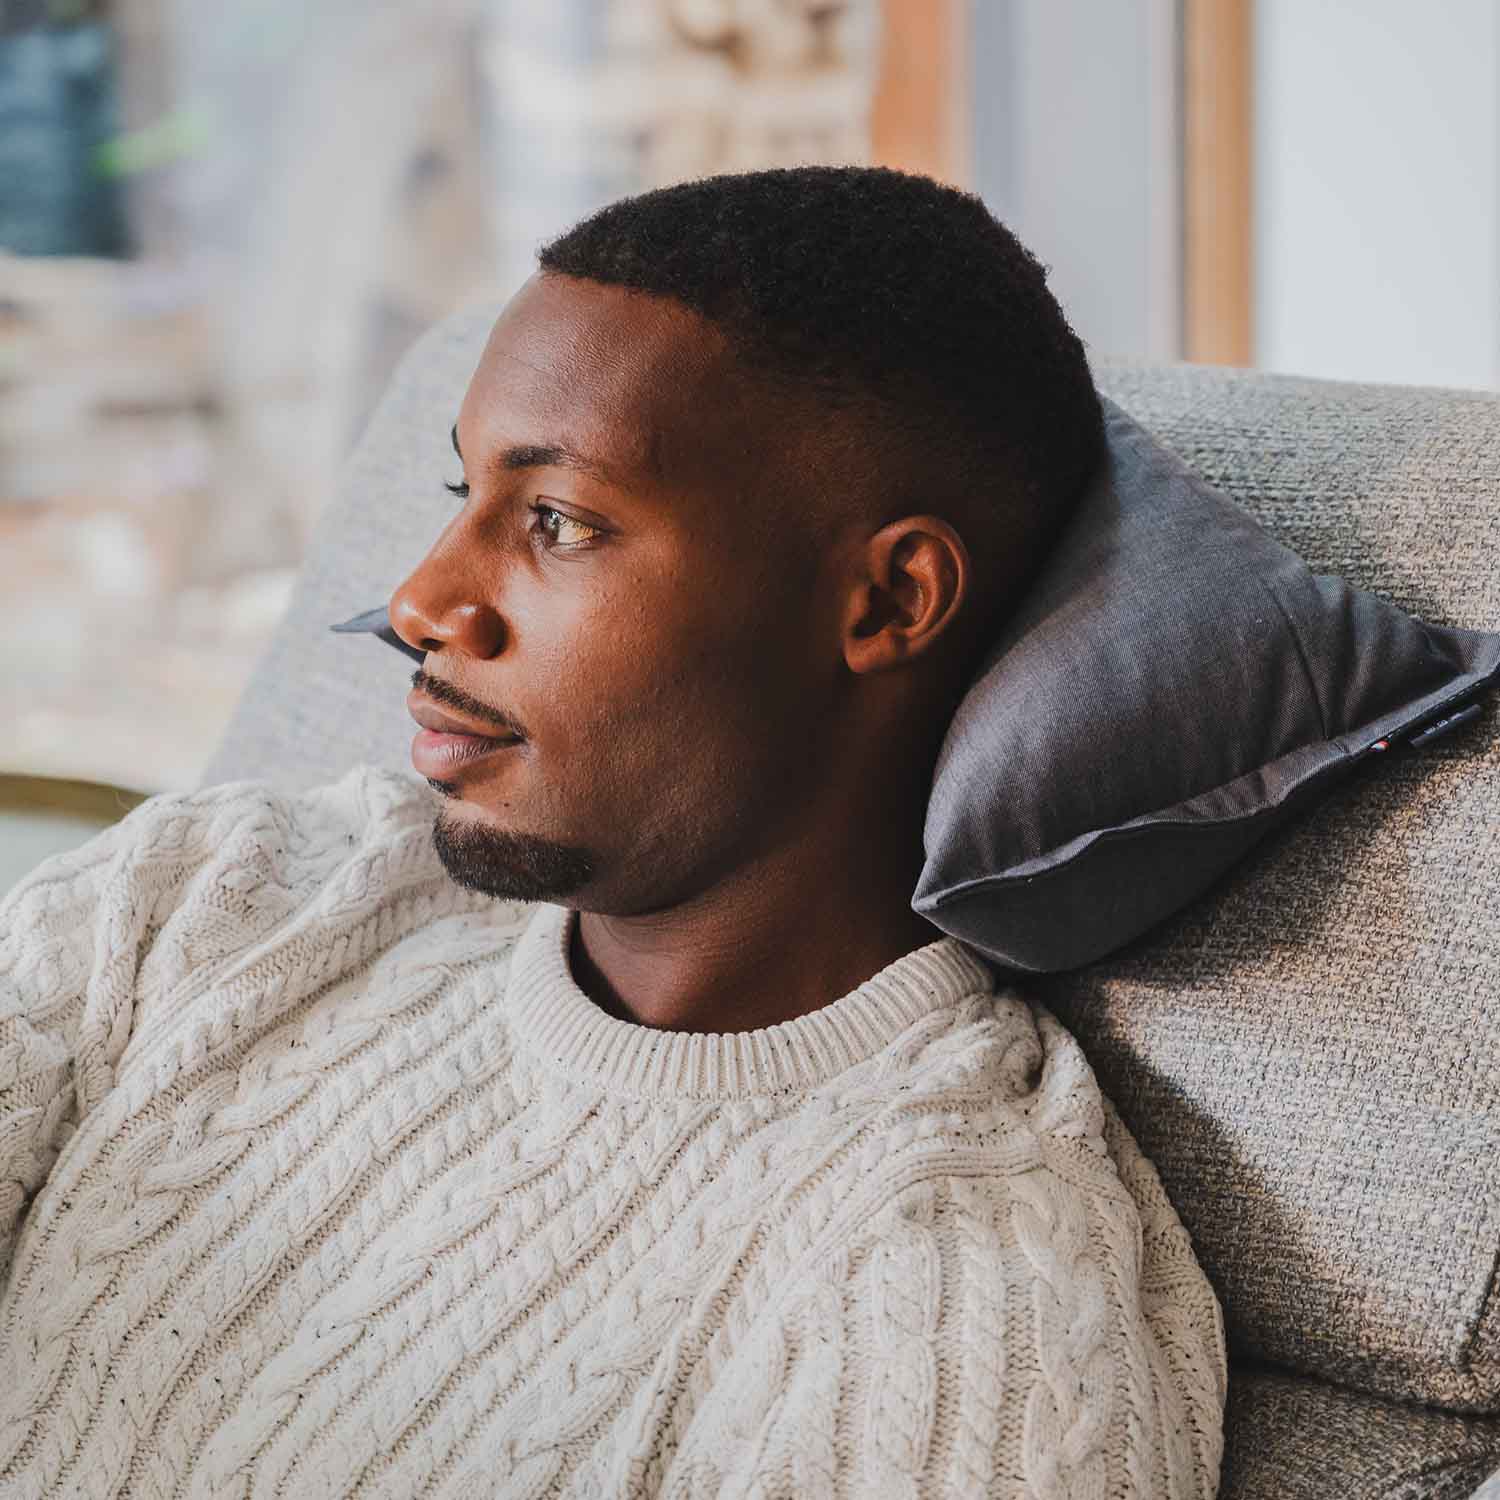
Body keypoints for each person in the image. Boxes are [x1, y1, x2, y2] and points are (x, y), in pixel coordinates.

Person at [0, 167, 1227, 1497]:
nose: (421, 602)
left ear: (887, 601)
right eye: (463, 491)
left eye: (559, 522)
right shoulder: (217, 893)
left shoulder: (963, 1307)